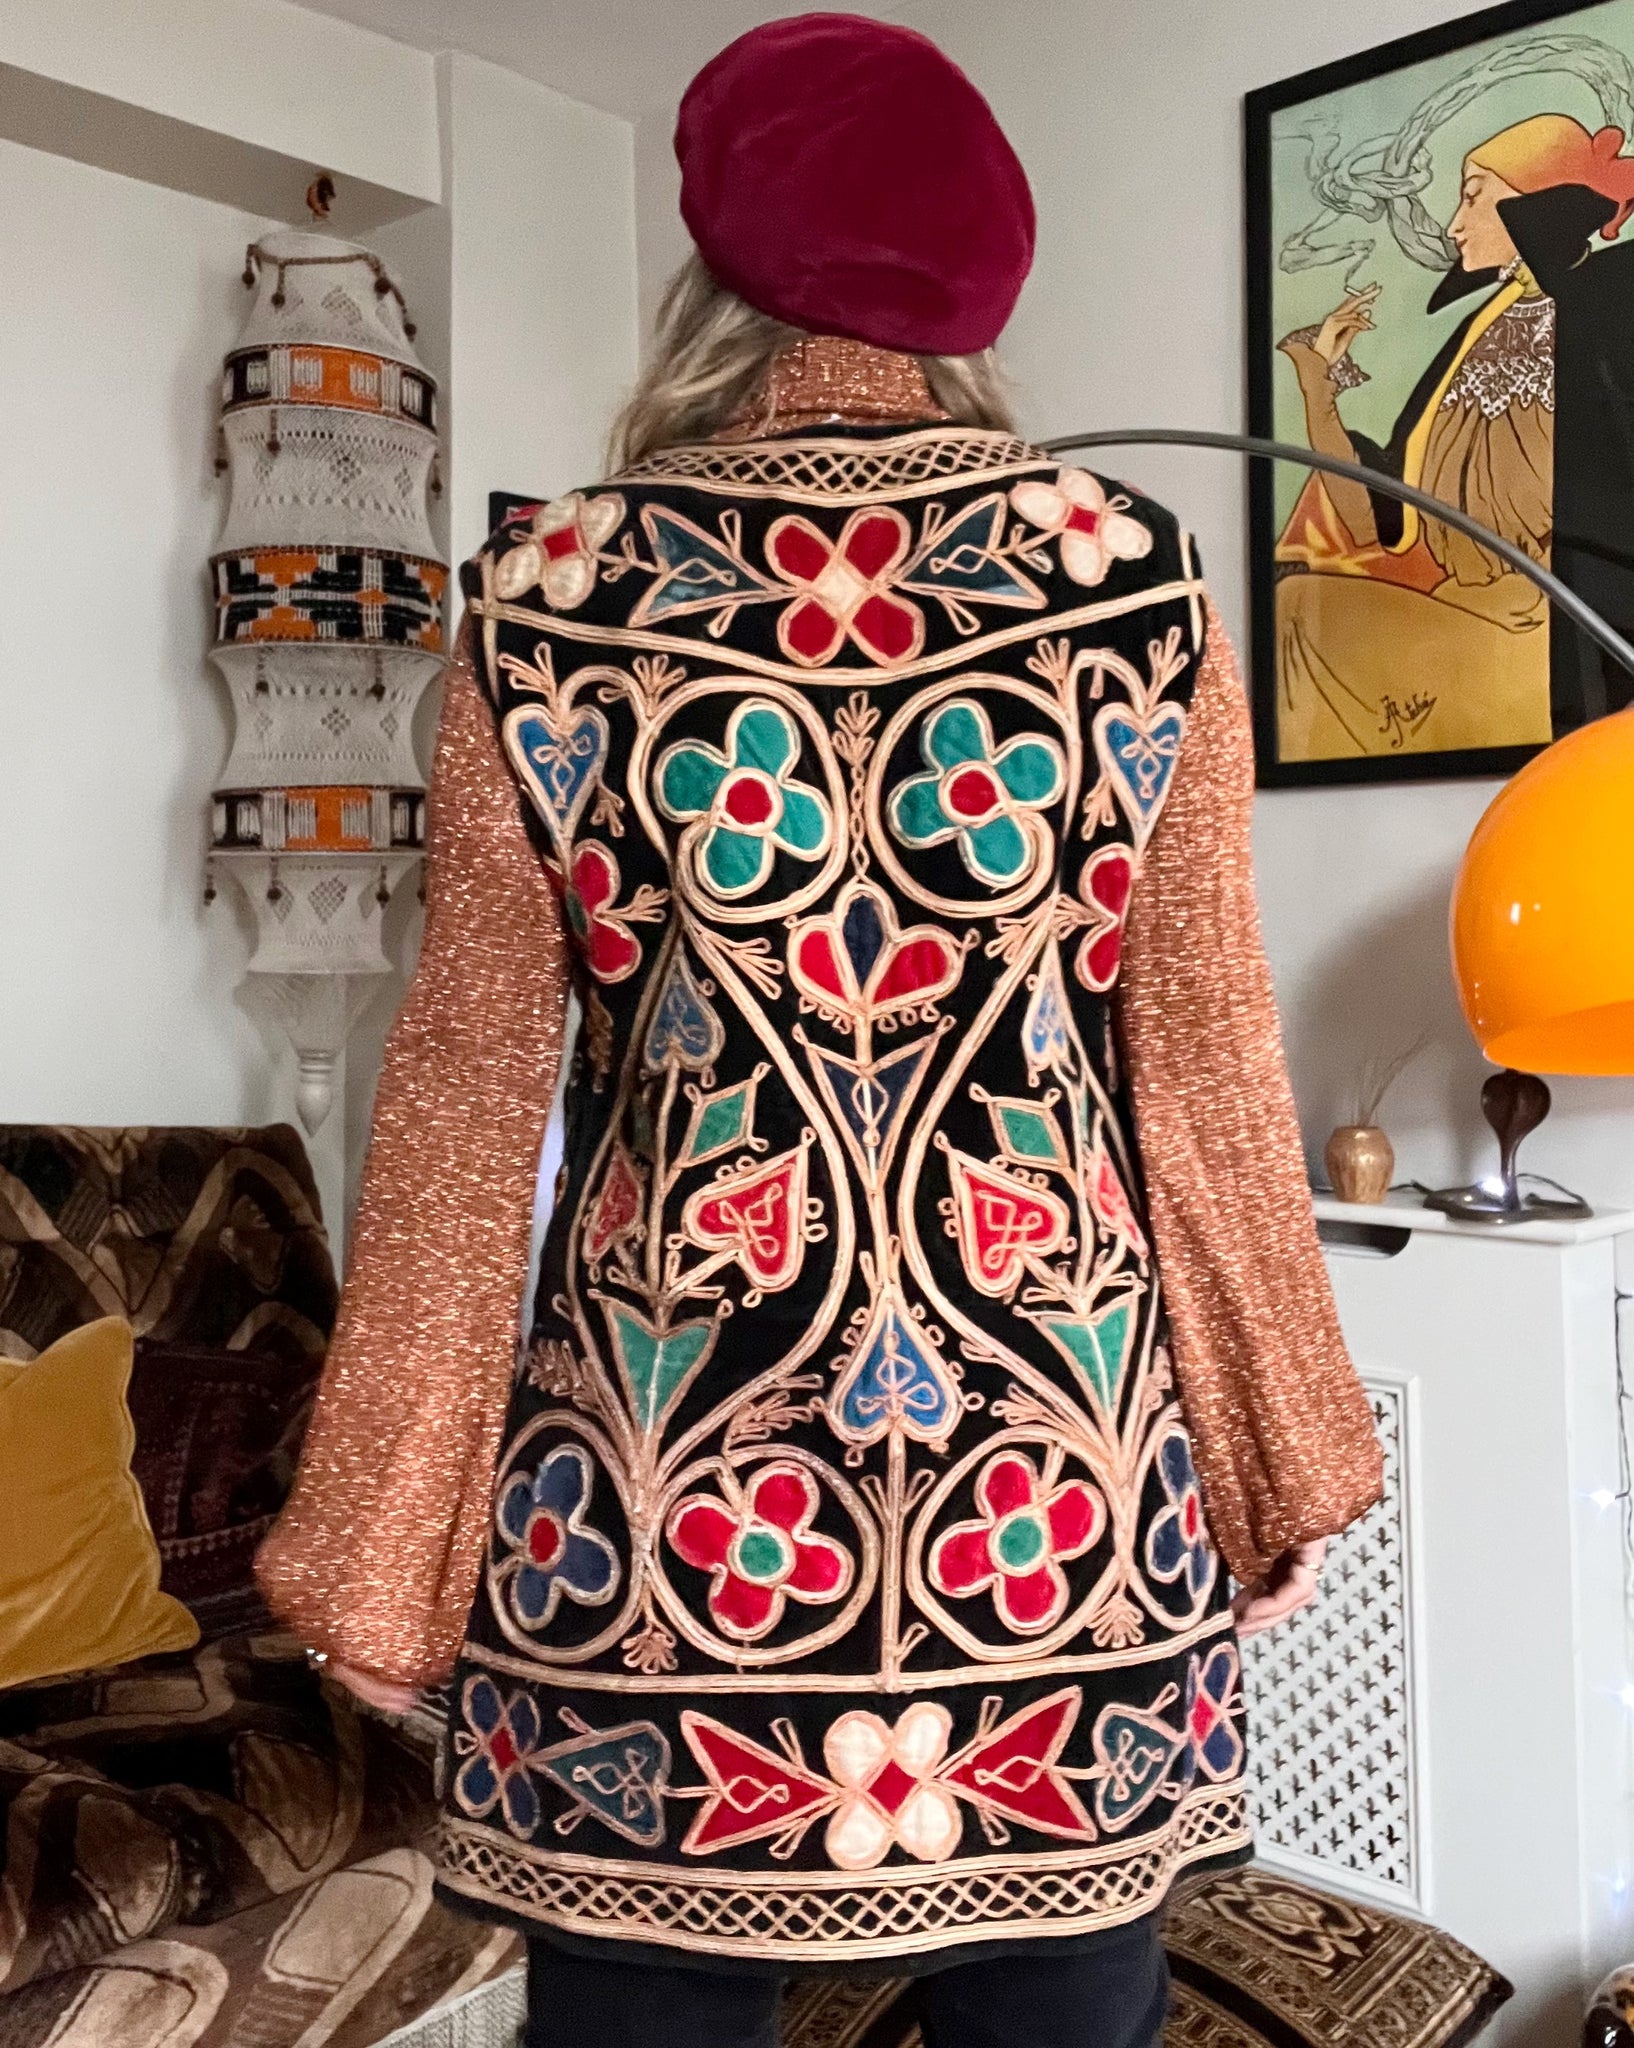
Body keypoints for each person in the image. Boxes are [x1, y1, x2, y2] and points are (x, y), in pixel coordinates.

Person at [259, 17, 1382, 2048]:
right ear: (976, 284)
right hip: (1055, 1516)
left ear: (717, 263)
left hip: (658, 1527)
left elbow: (462, 1113)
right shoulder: (1130, 583)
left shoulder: (552, 594)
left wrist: (380, 1549)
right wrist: (1271, 1455)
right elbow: (1203, 1068)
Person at [1276, 112, 1634, 762]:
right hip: (1464, 609)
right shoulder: (1486, 324)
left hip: (1547, 625)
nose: (1453, 225)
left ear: (1536, 206)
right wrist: (1317, 385)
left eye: (1474, 196)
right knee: (1298, 602)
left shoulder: (1602, 309)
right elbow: (1382, 516)